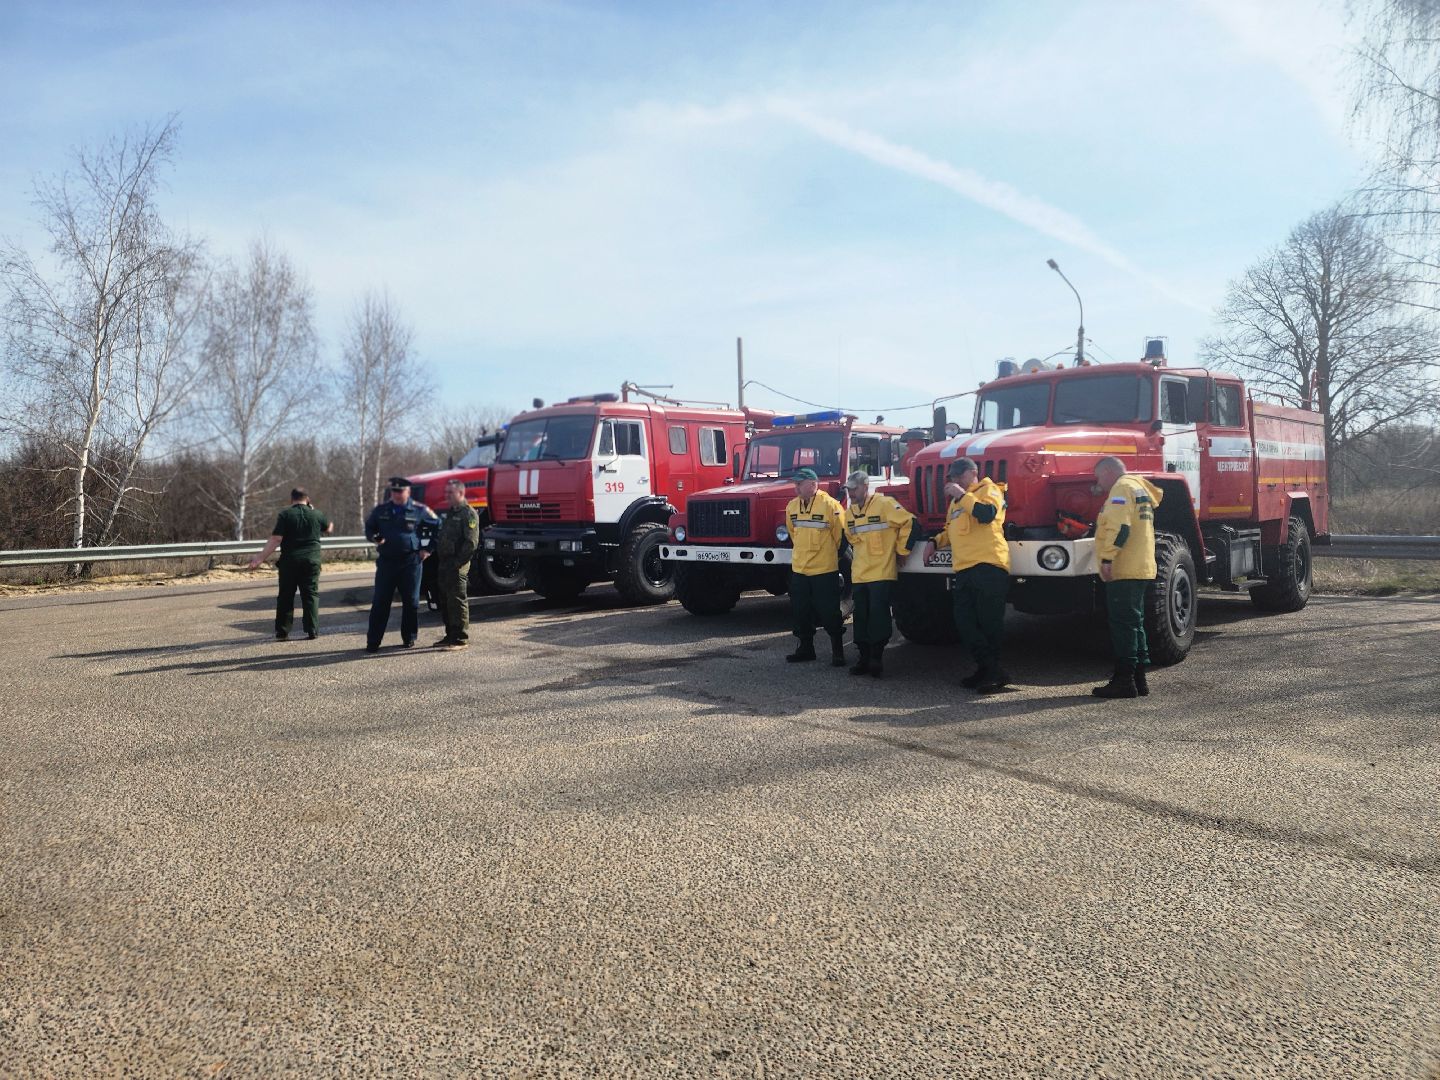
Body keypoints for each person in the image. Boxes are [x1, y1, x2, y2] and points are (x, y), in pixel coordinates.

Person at [932, 457, 1010, 693]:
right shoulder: (957, 503)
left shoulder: (989, 489)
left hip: (989, 565)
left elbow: (986, 514)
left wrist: (961, 495)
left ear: (972, 472)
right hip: (964, 568)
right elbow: (949, 530)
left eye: (959, 475)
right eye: (952, 477)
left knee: (989, 623)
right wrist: (933, 542)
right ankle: (988, 668)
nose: (955, 480)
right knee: (964, 622)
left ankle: (991, 671)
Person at [1091, 456, 1164, 698]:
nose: (1098, 482)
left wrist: (1108, 558)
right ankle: (1139, 679)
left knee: (1123, 624)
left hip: (1124, 568)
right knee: (1135, 623)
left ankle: (1123, 680)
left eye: (1099, 476)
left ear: (1109, 471)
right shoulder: (1139, 487)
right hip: (1141, 566)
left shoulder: (1121, 488)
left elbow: (1121, 528)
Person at [842, 469, 916, 678]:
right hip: (860, 574)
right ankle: (863, 658)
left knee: (879, 616)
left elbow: (910, 523)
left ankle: (877, 658)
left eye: (854, 489)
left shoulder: (884, 504)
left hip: (881, 573)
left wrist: (902, 551)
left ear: (865, 487)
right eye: (849, 490)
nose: (851, 494)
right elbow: (851, 537)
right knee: (861, 618)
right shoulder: (850, 513)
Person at [363, 476, 438, 653]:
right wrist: (374, 537)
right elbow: (369, 527)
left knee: (411, 602)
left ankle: (409, 637)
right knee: (381, 601)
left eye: (400, 491)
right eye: (394, 491)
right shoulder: (381, 510)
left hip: (411, 562)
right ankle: (373, 641)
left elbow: (438, 526)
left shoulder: (420, 510)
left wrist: (428, 549)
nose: (396, 494)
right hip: (387, 562)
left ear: (408, 491)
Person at [248, 488, 333, 640]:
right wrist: (317, 513)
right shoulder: (317, 514)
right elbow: (328, 529)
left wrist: (260, 557)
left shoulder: (285, 514)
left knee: (286, 596)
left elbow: (276, 539)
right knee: (310, 595)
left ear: (291, 499)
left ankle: (282, 631)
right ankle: (312, 629)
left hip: (290, 562)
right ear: (307, 499)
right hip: (311, 561)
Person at [783, 466, 847, 666]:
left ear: (812, 485)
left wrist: (828, 557)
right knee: (800, 611)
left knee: (829, 612)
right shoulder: (792, 506)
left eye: (799, 484)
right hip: (800, 569)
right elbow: (793, 532)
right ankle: (805, 648)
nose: (796, 487)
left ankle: (837, 651)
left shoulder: (830, 505)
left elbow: (841, 538)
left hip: (824, 570)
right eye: (795, 484)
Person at [432, 478, 480, 650]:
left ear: (460, 493)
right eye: (446, 493)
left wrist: (458, 562)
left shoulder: (468, 514)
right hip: (445, 562)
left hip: (457, 564)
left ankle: (460, 639)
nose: (447, 496)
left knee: (457, 600)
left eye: (450, 493)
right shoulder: (451, 512)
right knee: (445, 600)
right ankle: (450, 635)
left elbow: (471, 543)